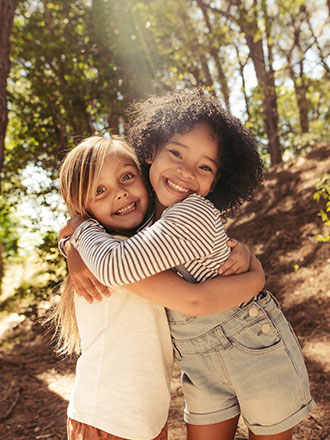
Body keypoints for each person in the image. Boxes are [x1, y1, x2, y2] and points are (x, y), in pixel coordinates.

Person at [62, 89, 315, 440]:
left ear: (217, 181)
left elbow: (123, 269)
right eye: (176, 153)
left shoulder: (191, 211)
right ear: (150, 152)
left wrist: (78, 229)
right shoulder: (146, 220)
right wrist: (71, 240)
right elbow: (118, 258)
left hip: (254, 349)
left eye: (205, 166)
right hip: (197, 364)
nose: (185, 170)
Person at [55, 135, 264, 440]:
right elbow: (194, 300)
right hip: (111, 420)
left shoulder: (140, 249)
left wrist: (240, 251)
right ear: (81, 207)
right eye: (100, 190)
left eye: (127, 176)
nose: (120, 194)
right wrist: (257, 276)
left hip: (144, 418)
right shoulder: (114, 260)